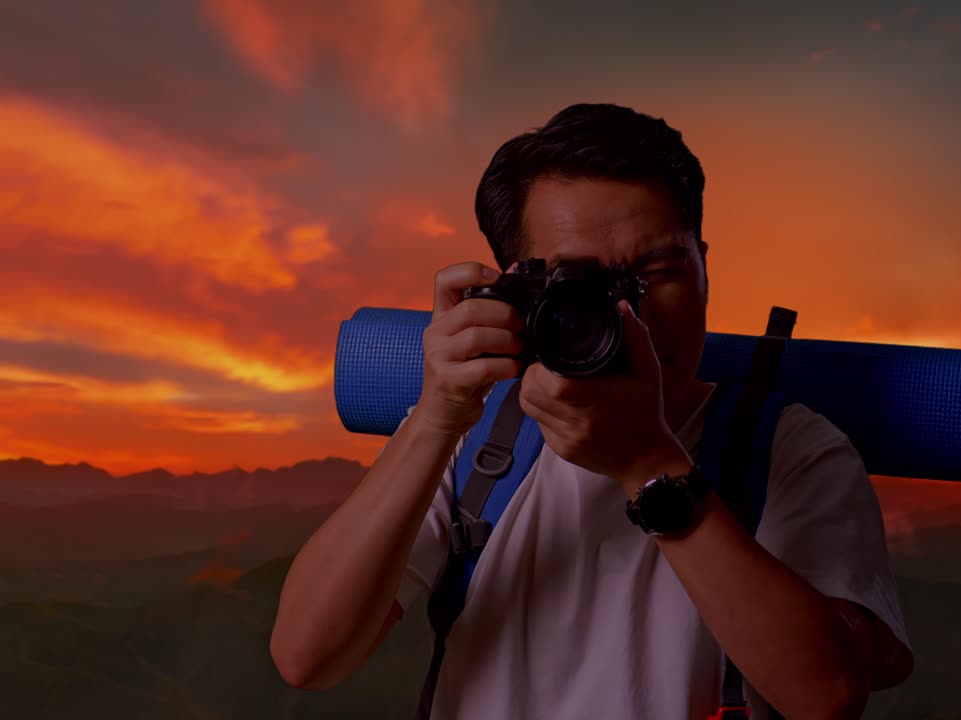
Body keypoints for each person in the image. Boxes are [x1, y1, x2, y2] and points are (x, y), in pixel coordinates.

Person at [270, 103, 914, 719]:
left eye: (660, 271)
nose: (630, 316)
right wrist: (437, 419)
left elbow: (826, 697)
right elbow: (307, 656)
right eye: (587, 287)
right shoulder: (476, 434)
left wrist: (649, 464)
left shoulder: (790, 449)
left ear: (705, 268)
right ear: (519, 289)